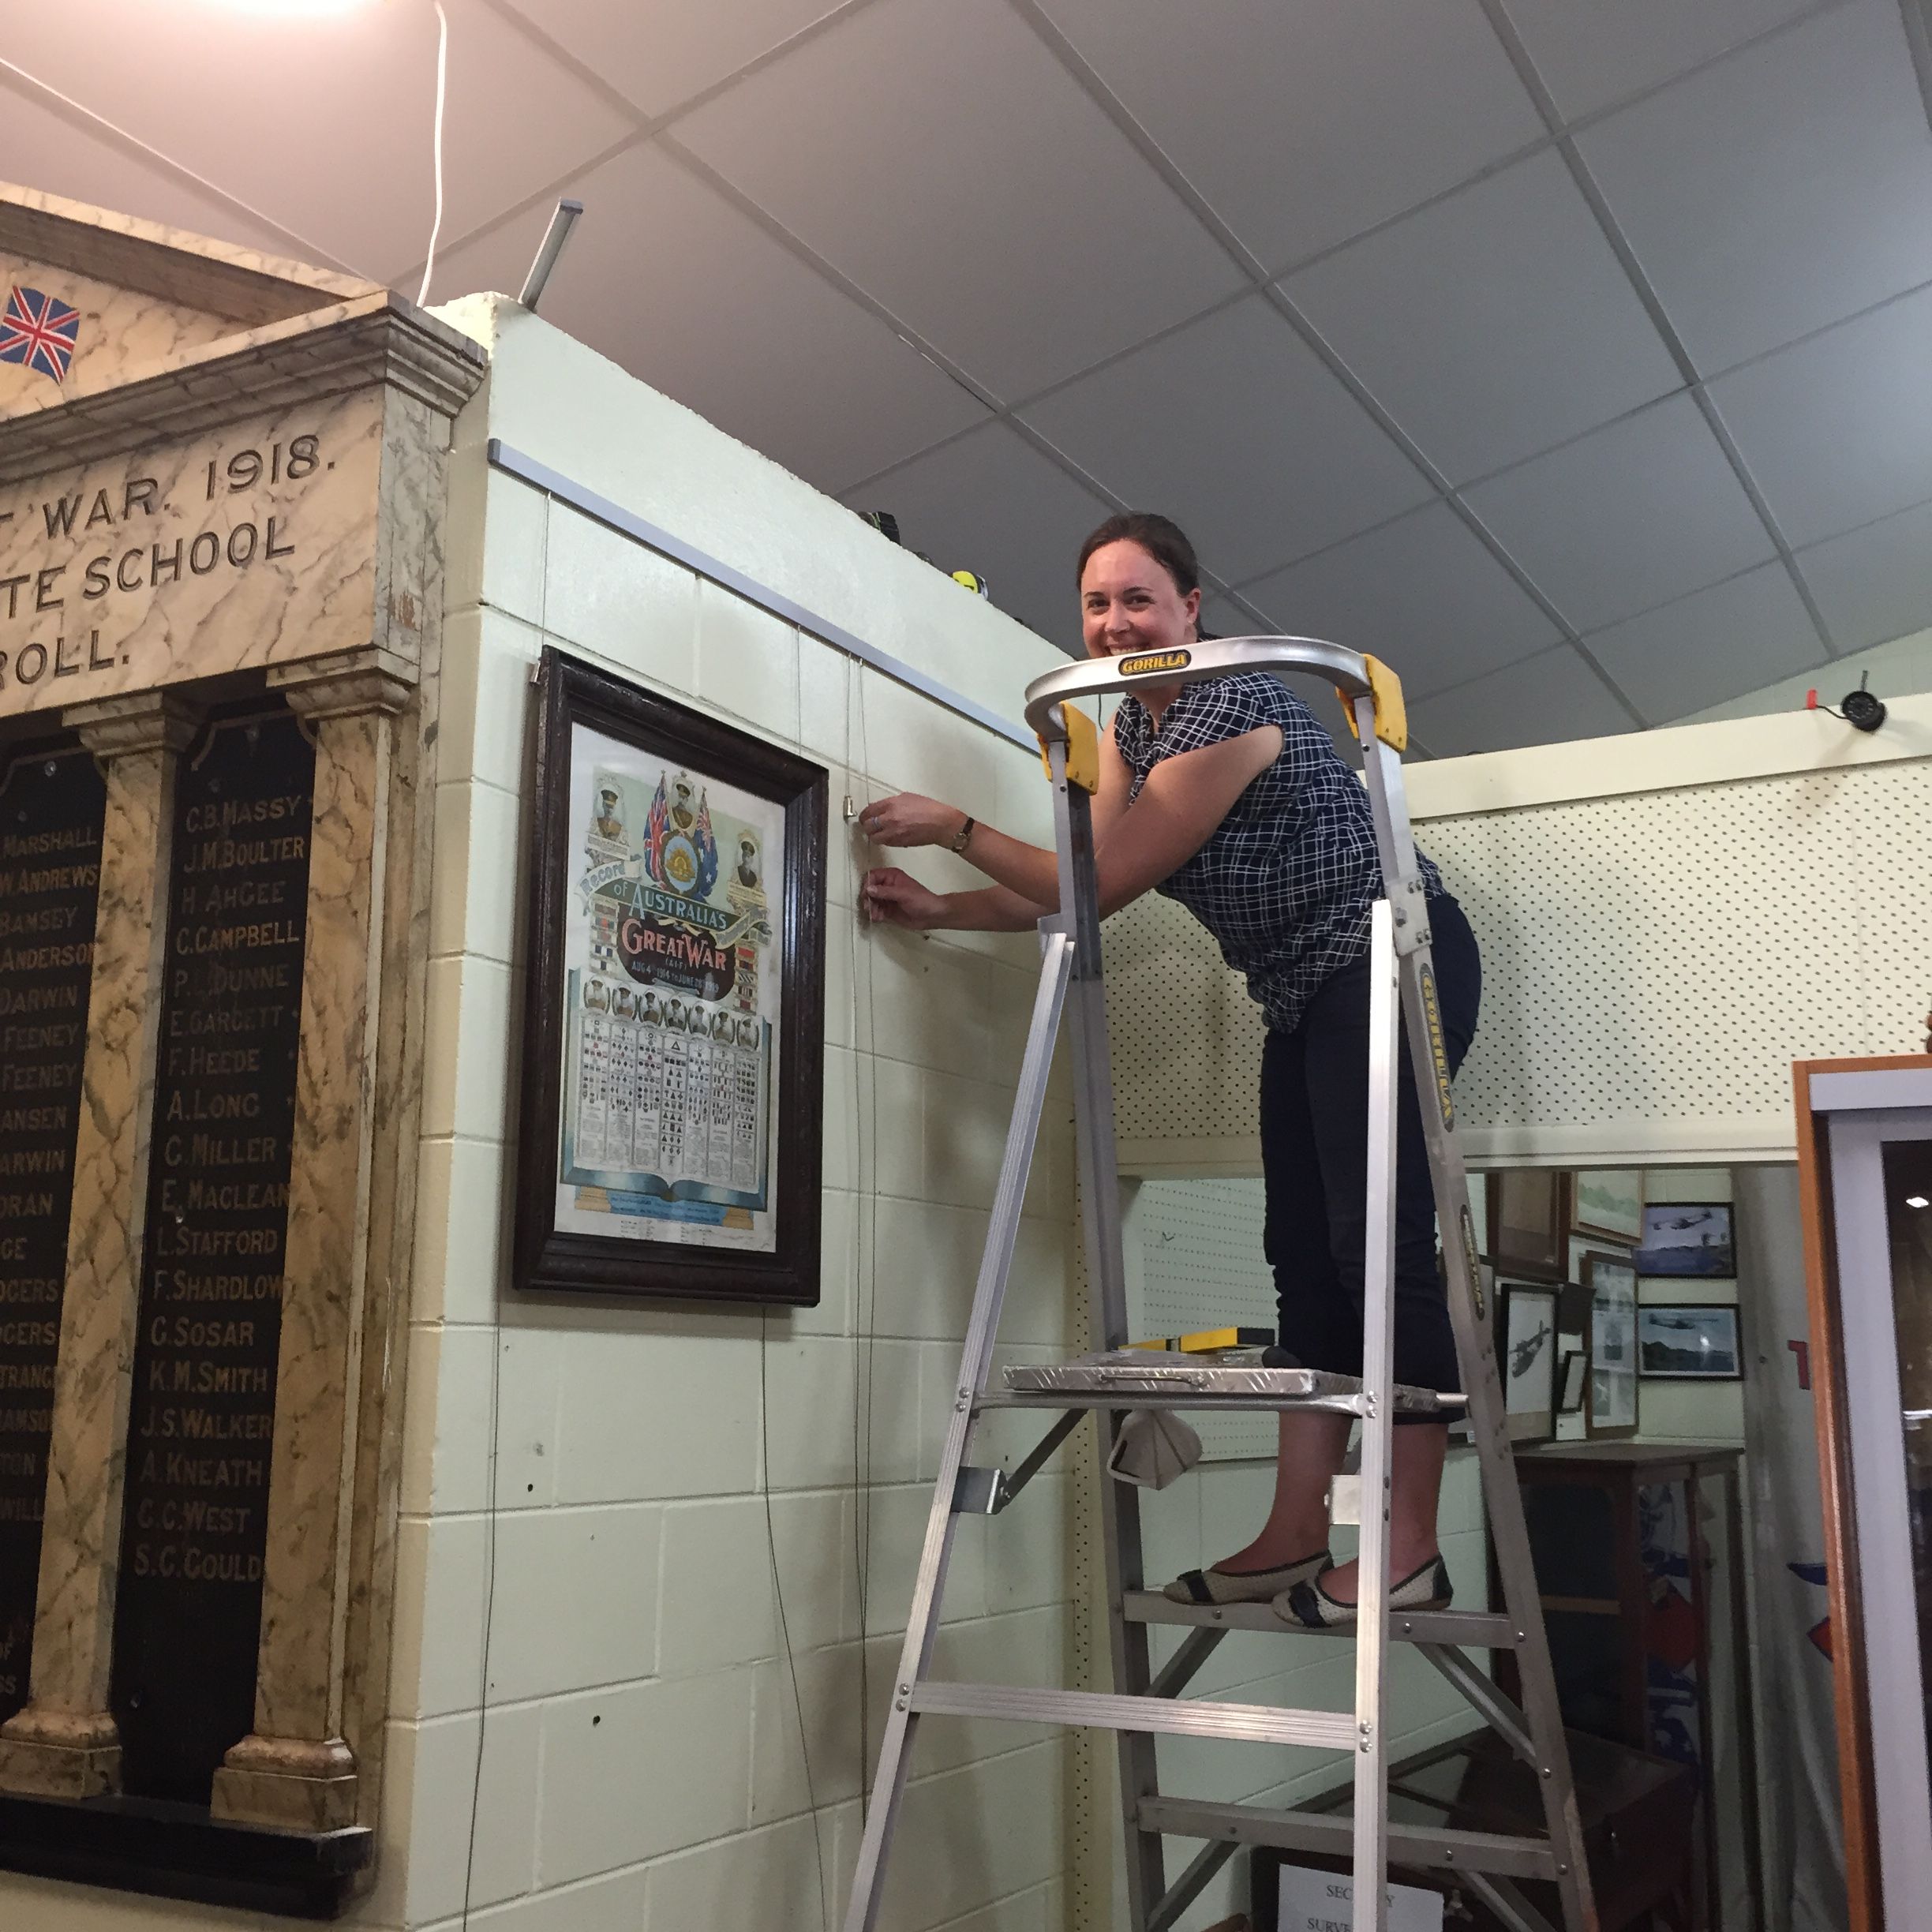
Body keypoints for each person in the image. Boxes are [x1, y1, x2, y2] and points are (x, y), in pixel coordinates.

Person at [859, 511, 1481, 1628]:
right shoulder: (1129, 732)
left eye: (1139, 599)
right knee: (1302, 1256)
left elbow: (1097, 885)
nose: (1116, 623)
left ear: (1191, 609)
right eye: (1097, 604)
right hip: (1303, 987)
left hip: (1389, 959)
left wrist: (955, 828)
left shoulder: (1233, 703)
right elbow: (1076, 881)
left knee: (1377, 1246)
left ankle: (1411, 1549)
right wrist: (940, 910)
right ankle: (1296, 1536)